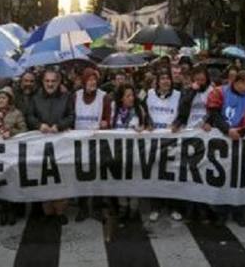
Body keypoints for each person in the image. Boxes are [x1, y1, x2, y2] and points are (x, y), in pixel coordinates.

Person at [206, 70, 245, 227]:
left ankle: (238, 211)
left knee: (239, 178)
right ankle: (221, 212)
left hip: (240, 141)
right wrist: (227, 130)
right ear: (238, 82)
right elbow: (215, 115)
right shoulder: (219, 92)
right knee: (222, 178)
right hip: (222, 141)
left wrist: (240, 132)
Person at [27, 70, 75, 225]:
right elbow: (30, 116)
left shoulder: (66, 97)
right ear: (43, 82)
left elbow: (71, 116)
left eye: (53, 81)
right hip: (41, 146)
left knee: (61, 176)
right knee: (44, 177)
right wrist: (38, 125)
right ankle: (47, 211)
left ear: (58, 82)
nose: (50, 84)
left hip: (61, 146)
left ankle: (60, 211)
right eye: (47, 81)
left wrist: (60, 126)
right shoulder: (35, 98)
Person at [145, 69, 183, 222]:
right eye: (163, 78)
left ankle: (174, 207)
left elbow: (183, 113)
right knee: (155, 173)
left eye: (168, 78)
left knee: (172, 174)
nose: (166, 81)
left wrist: (178, 123)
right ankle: (156, 207)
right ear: (158, 81)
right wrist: (147, 122)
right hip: (155, 141)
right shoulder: (149, 94)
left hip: (173, 140)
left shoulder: (179, 95)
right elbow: (143, 111)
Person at [0, 87, 27, 226]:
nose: (1, 100)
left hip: (12, 152)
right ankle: (4, 209)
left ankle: (13, 210)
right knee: (0, 180)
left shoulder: (16, 113)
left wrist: (12, 132)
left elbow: (24, 129)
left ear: (10, 100)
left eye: (4, 98)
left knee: (12, 179)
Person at [109, 83, 150, 223]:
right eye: (128, 96)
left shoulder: (140, 110)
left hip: (134, 154)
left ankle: (133, 208)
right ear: (121, 98)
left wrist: (144, 127)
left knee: (134, 180)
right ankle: (123, 206)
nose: (132, 98)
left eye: (133, 95)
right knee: (119, 180)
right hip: (118, 153)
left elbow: (148, 125)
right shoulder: (114, 109)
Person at [73, 68, 110, 222]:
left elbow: (108, 118)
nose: (92, 82)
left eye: (94, 80)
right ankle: (82, 207)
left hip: (97, 143)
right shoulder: (76, 96)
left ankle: (97, 207)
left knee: (98, 176)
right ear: (84, 81)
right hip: (79, 143)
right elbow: (70, 115)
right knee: (81, 175)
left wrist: (105, 123)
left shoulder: (104, 97)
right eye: (89, 80)